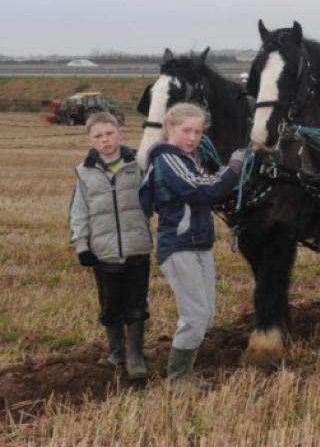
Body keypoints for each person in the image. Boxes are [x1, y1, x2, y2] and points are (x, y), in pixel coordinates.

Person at [139, 103, 246, 391]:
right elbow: (203, 189)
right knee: (195, 316)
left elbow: (206, 184)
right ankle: (178, 378)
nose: (193, 137)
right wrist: (235, 167)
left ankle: (186, 372)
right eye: (186, 130)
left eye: (198, 132)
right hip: (179, 247)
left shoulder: (186, 160)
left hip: (199, 245)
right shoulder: (167, 159)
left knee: (206, 313)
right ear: (169, 128)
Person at [69, 112, 152, 379]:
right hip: (103, 253)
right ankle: (116, 352)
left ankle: (135, 356)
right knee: (110, 305)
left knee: (137, 304)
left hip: (136, 249)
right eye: (98, 136)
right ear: (89, 140)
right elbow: (79, 212)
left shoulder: (138, 163)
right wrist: (82, 245)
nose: (105, 140)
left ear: (120, 133)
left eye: (109, 133)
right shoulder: (84, 173)